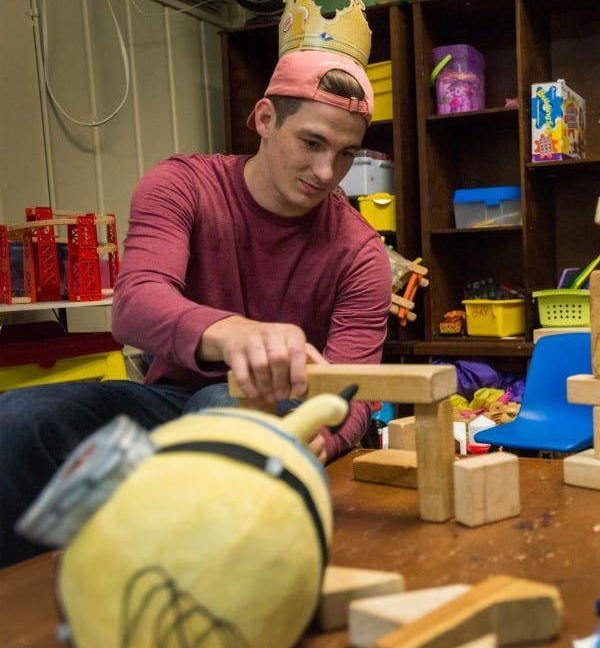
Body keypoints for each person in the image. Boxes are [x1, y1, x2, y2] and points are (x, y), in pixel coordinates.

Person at [0, 48, 393, 568]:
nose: (327, 172)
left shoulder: (361, 252)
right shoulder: (182, 186)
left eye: (346, 154)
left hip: (276, 412)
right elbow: (136, 303)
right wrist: (231, 332)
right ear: (265, 119)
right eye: (312, 142)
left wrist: (319, 439)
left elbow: (355, 390)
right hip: (166, 401)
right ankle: (42, 599)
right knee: (17, 420)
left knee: (222, 411)